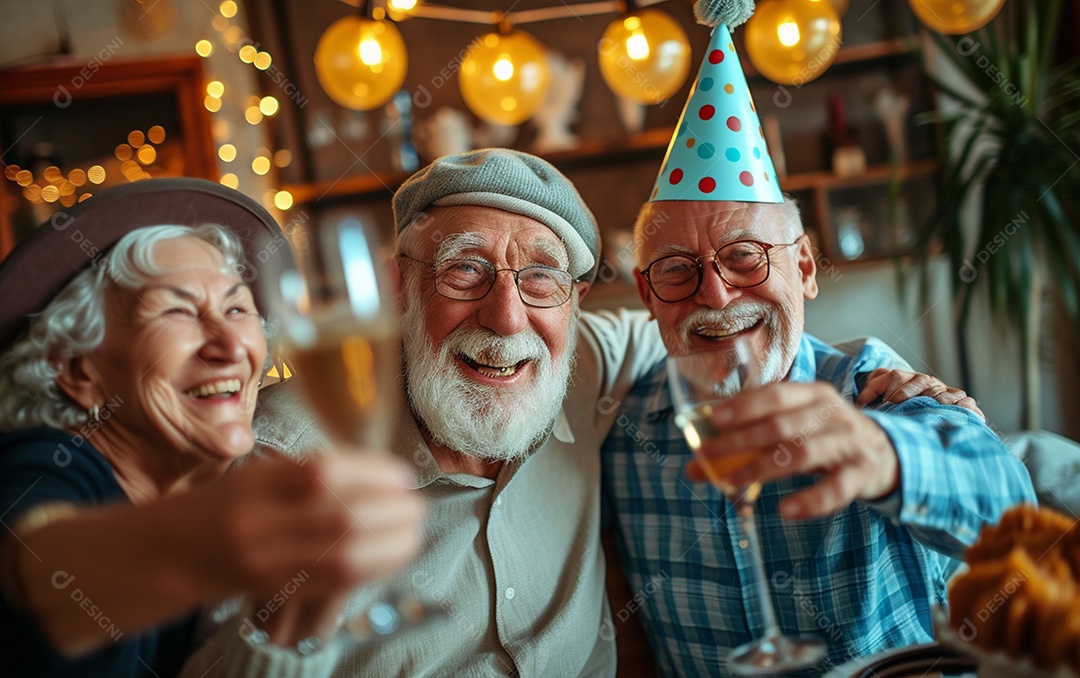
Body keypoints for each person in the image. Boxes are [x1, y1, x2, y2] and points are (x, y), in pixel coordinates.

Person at [599, 1, 1036, 673]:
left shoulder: (874, 389)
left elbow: (1011, 511)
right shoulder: (617, 432)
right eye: (678, 271)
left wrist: (887, 454)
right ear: (649, 292)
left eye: (745, 257)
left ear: (803, 267)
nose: (716, 295)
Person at [0, 179, 424, 677]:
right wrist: (210, 544)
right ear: (77, 370)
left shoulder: (194, 492)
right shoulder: (43, 463)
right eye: (177, 310)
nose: (228, 345)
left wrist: (286, 639)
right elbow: (33, 571)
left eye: (237, 307)